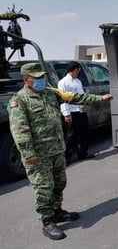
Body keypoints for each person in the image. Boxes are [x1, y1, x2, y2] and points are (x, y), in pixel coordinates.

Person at [8, 63, 112, 240]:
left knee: (59, 182)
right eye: (37, 78)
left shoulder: (50, 93)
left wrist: (99, 99)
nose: (41, 80)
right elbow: (20, 131)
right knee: (44, 187)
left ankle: (57, 211)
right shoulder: (20, 101)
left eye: (42, 77)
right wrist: (28, 154)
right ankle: (47, 221)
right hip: (38, 155)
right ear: (26, 80)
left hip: (56, 149)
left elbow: (74, 97)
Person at [58, 61, 93, 162]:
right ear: (74, 69)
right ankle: (66, 157)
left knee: (84, 133)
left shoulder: (78, 81)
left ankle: (83, 153)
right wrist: (66, 114)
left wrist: (84, 104)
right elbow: (63, 99)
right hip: (72, 112)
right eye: (78, 70)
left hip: (81, 110)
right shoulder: (63, 82)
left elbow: (81, 95)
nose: (79, 72)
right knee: (72, 135)